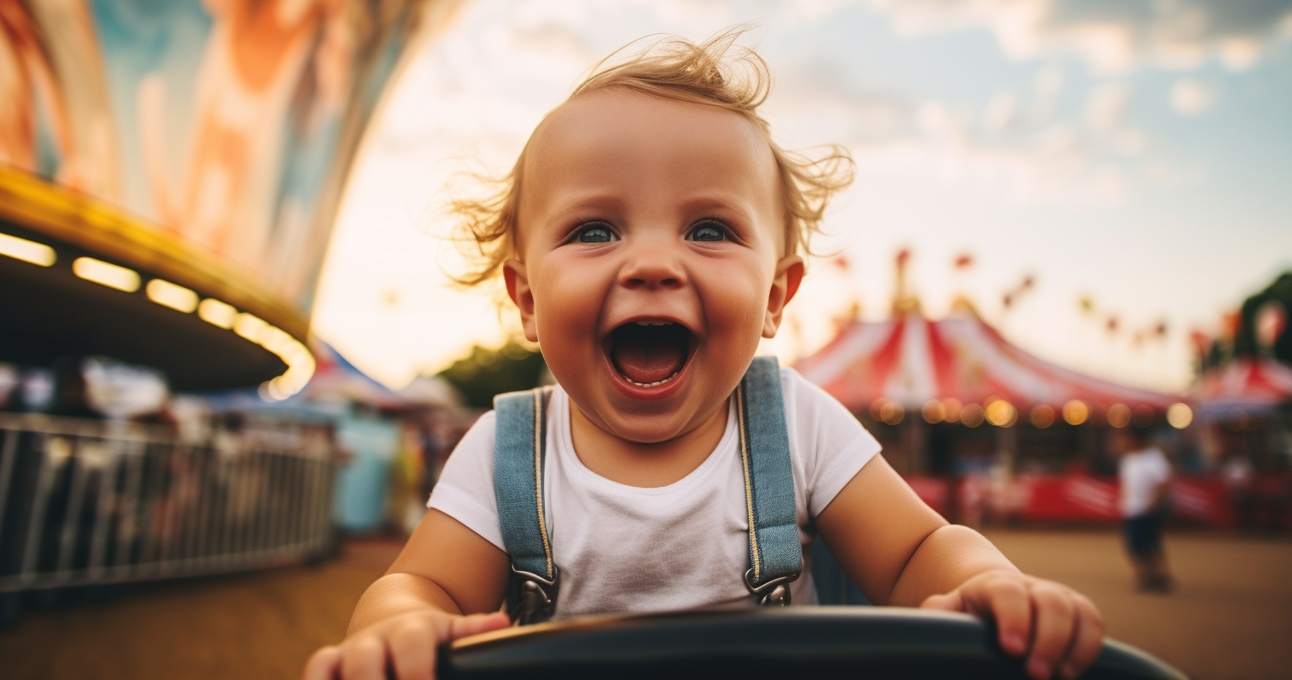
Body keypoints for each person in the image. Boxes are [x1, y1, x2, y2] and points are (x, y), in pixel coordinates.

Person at [304, 29, 1104, 680]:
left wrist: (988, 584)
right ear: (526, 299)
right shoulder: (510, 450)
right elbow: (424, 583)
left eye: (709, 230)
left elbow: (916, 551)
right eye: (595, 231)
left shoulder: (793, 422)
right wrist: (402, 625)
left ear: (774, 299)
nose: (654, 263)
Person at [1112, 427, 1173, 592]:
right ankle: (1149, 575)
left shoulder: (1153, 457)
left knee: (1148, 544)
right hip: (1133, 508)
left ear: (1135, 439)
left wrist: (1154, 503)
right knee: (1137, 545)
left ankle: (1158, 575)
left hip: (1148, 509)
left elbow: (1164, 482)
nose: (1120, 443)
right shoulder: (1128, 459)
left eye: (1124, 439)